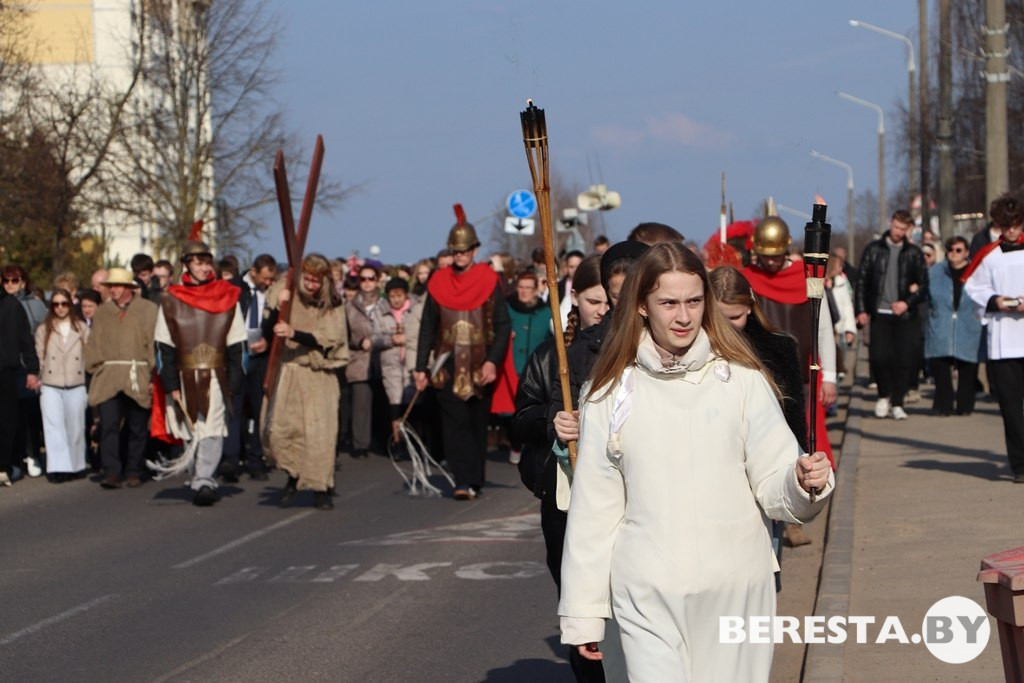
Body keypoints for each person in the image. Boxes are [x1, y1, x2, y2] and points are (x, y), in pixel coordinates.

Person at [558, 242, 833, 680]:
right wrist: (585, 612)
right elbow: (594, 509)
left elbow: (775, 482)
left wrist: (803, 482)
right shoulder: (609, 393)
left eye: (693, 301)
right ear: (642, 306)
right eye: (668, 303)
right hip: (646, 590)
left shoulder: (742, 380)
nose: (683, 317)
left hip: (736, 586)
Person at [511, 254, 609, 681]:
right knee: (578, 602)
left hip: (617, 497)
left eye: (612, 302)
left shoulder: (633, 355)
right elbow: (521, 417)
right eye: (594, 301)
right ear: (575, 298)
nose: (603, 311)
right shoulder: (554, 356)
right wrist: (551, 419)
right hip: (565, 499)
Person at [414, 206, 511, 500]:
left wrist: (493, 362)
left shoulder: (489, 280)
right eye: (455, 251)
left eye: (465, 250)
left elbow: (503, 325)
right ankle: (461, 480)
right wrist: (420, 366)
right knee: (454, 425)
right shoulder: (438, 282)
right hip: (447, 363)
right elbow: (428, 328)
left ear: (474, 250)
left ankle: (474, 478)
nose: (460, 256)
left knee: (475, 425)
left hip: (481, 363)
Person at [710, 266, 808, 557]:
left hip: (765, 469)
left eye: (736, 317)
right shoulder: (693, 351)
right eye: (719, 318)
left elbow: (793, 417)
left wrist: (793, 471)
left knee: (765, 562)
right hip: (718, 476)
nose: (727, 326)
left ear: (750, 308)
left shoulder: (778, 348)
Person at [154, 240, 246, 506]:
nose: (204, 267)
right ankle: (198, 477)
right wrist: (170, 381)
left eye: (207, 262)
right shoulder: (171, 299)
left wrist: (235, 380)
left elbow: (237, 343)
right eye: (198, 262)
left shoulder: (228, 296)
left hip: (216, 374)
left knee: (212, 427)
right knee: (191, 428)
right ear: (186, 264)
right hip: (184, 373)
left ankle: (205, 479)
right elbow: (164, 345)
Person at [742, 213, 837, 469]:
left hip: (804, 371)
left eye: (776, 255)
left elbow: (823, 328)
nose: (771, 261)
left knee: (807, 433)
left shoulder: (807, 277)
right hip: (762, 372)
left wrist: (829, 376)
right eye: (766, 255)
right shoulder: (746, 279)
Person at [262, 253, 349, 509]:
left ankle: (320, 488)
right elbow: (268, 331)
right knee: (284, 430)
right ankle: (293, 476)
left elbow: (330, 338)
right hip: (289, 371)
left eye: (316, 281)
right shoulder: (286, 292)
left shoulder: (332, 303)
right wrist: (278, 308)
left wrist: (295, 333)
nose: (311, 285)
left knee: (319, 434)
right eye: (308, 279)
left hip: (318, 375)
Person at [964, 194, 1024, 482]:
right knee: (1011, 408)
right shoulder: (989, 256)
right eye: (1006, 225)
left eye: (1016, 224)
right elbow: (974, 288)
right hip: (1004, 341)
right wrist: (996, 301)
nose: (1011, 230)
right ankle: (1020, 465)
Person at [85, 268, 158, 489]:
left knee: (137, 425)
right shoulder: (102, 313)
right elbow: (94, 343)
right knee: (108, 424)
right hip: (109, 375)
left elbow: (153, 343)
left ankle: (133, 469)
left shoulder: (148, 310)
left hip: (138, 373)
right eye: (110, 286)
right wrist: (95, 367)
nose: (113, 290)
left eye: (117, 285)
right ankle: (112, 471)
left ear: (129, 288)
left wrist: (153, 375)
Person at [854, 209, 930, 420]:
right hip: (880, 312)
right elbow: (862, 281)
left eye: (903, 229)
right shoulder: (873, 250)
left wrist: (907, 302)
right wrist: (860, 310)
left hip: (905, 315)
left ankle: (898, 402)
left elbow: (924, 286)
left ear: (908, 230)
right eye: (896, 227)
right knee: (879, 357)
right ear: (890, 223)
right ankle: (883, 394)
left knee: (904, 359)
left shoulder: (913, 253)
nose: (898, 232)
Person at [35, 289, 89, 483]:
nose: (60, 308)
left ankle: (75, 465)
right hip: (51, 383)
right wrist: (39, 379)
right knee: (53, 426)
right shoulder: (44, 329)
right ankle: (58, 467)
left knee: (75, 426)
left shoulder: (81, 328)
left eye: (64, 303)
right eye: (56, 304)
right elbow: (40, 356)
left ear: (70, 305)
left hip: (76, 383)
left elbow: (88, 356)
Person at [925, 235, 981, 416]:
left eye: (959, 250)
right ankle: (944, 404)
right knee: (940, 364)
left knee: (967, 366)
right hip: (942, 320)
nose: (954, 254)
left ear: (966, 253)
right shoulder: (936, 271)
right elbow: (925, 291)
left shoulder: (977, 271)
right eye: (951, 250)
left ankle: (965, 405)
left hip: (968, 321)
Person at [232, 253, 277, 480]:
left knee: (260, 408)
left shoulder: (271, 295)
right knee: (235, 408)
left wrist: (267, 341)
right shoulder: (235, 289)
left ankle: (255, 458)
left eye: (271, 280)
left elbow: (276, 322)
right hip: (237, 355)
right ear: (253, 271)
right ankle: (231, 458)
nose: (268, 283)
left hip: (260, 356)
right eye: (265, 278)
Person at [0, 278, 39, 486]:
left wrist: (32, 369)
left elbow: (26, 340)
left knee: (7, 421)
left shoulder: (12, 306)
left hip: (6, 371)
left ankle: (5, 466)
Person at [345, 263, 382, 459]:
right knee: (360, 403)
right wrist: (359, 342)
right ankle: (360, 444)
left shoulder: (384, 304)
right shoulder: (350, 307)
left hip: (382, 357)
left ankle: (385, 441)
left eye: (371, 279)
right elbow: (343, 335)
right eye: (363, 279)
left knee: (382, 403)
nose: (367, 283)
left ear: (377, 281)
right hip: (359, 359)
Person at [372, 277, 413, 447]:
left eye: (400, 296)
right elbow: (374, 338)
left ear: (406, 295)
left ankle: (412, 439)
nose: (396, 300)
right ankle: (397, 440)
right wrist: (392, 340)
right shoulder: (379, 312)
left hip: (410, 363)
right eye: (392, 296)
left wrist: (408, 338)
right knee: (395, 403)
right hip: (391, 364)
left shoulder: (414, 310)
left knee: (412, 403)